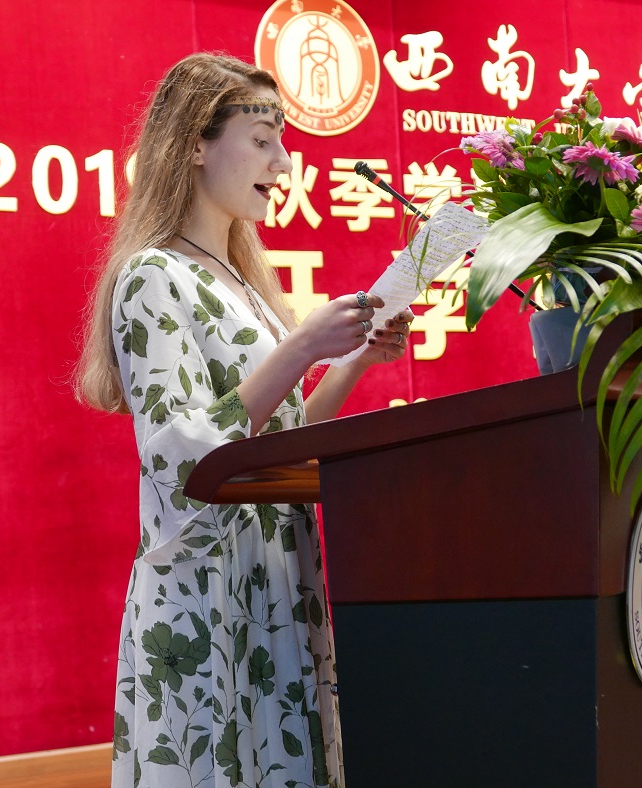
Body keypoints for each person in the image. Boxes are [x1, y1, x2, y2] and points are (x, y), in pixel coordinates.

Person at [75, 52, 413, 788]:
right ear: (195, 144)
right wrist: (301, 346)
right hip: (208, 591)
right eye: (262, 141)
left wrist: (356, 358)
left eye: (280, 143)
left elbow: (278, 441)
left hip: (273, 577)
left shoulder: (244, 285)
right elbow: (181, 456)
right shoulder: (151, 276)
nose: (282, 163)